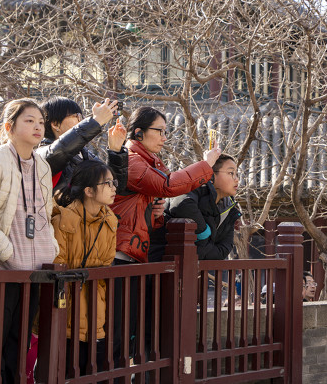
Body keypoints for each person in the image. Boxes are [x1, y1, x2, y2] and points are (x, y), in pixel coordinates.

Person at [109, 105, 220, 364]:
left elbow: (147, 206)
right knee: (117, 330)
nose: (164, 137)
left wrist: (156, 213)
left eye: (165, 131)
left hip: (133, 253)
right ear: (138, 133)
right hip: (119, 253)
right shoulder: (132, 159)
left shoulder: (149, 161)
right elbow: (169, 185)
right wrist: (207, 164)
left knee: (128, 328)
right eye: (159, 131)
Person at [0, 98, 59, 383]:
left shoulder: (42, 165)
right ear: (9, 127)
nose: (37, 126)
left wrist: (50, 248)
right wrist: (7, 252)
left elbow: (46, 212)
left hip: (32, 272)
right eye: (29, 120)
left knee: (18, 346)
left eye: (40, 121)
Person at [52, 160, 118, 377]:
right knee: (61, 371)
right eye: (107, 183)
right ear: (89, 190)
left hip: (96, 307)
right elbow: (57, 265)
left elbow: (107, 264)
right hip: (64, 308)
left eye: (113, 182)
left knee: (94, 371)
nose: (114, 188)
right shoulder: (62, 219)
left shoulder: (110, 221)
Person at [150, 154, 241, 262]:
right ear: (211, 175)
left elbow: (222, 251)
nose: (237, 179)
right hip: (156, 266)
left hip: (187, 270)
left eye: (236, 174)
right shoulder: (193, 188)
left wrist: (202, 243)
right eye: (231, 173)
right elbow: (181, 204)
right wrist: (203, 231)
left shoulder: (229, 210)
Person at [37, 96, 126, 194]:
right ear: (55, 124)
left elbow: (114, 189)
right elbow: (61, 150)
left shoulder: (85, 154)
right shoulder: (41, 154)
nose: (81, 121)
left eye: (81, 117)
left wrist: (115, 151)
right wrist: (96, 121)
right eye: (76, 116)